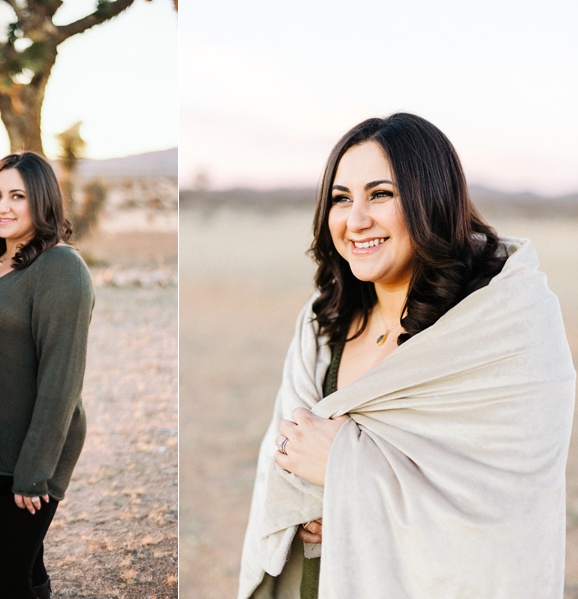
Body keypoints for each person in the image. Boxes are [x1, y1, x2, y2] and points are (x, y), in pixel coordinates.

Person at [238, 113, 575, 598]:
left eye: (380, 194)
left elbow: (505, 511)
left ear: (430, 200)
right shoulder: (321, 327)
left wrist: (344, 476)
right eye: (340, 198)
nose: (356, 220)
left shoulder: (508, 331)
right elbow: (284, 462)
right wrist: (309, 505)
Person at [0, 151, 95, 598]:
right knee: (26, 565)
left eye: (18, 196)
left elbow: (62, 379)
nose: (3, 207)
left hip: (32, 451)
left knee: (4, 577)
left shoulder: (60, 269)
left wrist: (35, 472)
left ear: (43, 202)